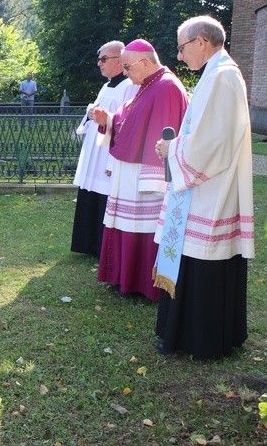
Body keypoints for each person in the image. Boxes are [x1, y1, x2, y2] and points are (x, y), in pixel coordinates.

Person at [153, 16, 254, 359]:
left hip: (210, 190)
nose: (180, 57)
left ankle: (200, 338)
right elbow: (204, 134)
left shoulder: (222, 77)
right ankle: (186, 333)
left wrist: (173, 150)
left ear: (200, 42)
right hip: (203, 186)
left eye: (181, 48)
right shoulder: (217, 73)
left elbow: (212, 144)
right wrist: (179, 144)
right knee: (194, 257)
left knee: (202, 258)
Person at [91, 39, 188, 301]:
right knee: (126, 224)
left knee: (142, 227)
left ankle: (142, 284)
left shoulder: (166, 87)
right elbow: (127, 119)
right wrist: (108, 120)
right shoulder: (147, 85)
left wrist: (154, 181)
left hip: (146, 180)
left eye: (127, 66)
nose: (124, 72)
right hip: (129, 173)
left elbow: (164, 134)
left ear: (144, 62)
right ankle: (124, 278)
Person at [70, 41, 133, 259]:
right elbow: (94, 115)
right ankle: (87, 243)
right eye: (99, 59)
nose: (99, 64)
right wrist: (91, 113)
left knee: (105, 197)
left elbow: (127, 123)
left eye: (104, 59)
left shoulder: (129, 87)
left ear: (119, 60)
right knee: (90, 194)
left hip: (108, 152)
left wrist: (104, 117)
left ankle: (101, 245)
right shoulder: (106, 86)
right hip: (94, 152)